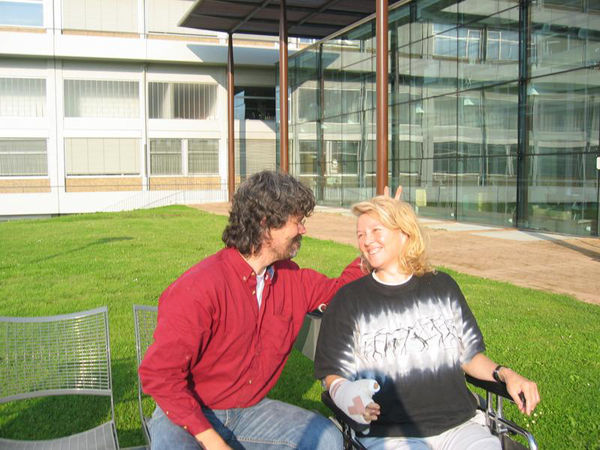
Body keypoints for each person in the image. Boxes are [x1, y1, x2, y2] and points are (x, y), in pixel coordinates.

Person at [139, 170, 365, 450]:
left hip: (248, 411)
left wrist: (376, 239)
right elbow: (159, 376)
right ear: (266, 223)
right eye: (297, 221)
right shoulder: (200, 287)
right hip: (186, 412)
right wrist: (212, 441)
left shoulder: (291, 280)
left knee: (326, 439)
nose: (302, 229)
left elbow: (342, 290)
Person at [314, 195, 540, 450]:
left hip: (460, 426)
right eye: (360, 235)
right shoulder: (349, 300)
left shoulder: (442, 286)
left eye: (376, 230)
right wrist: (347, 396)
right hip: (391, 434)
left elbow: (468, 357)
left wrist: (506, 374)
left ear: (405, 234)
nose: (366, 241)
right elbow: (333, 374)